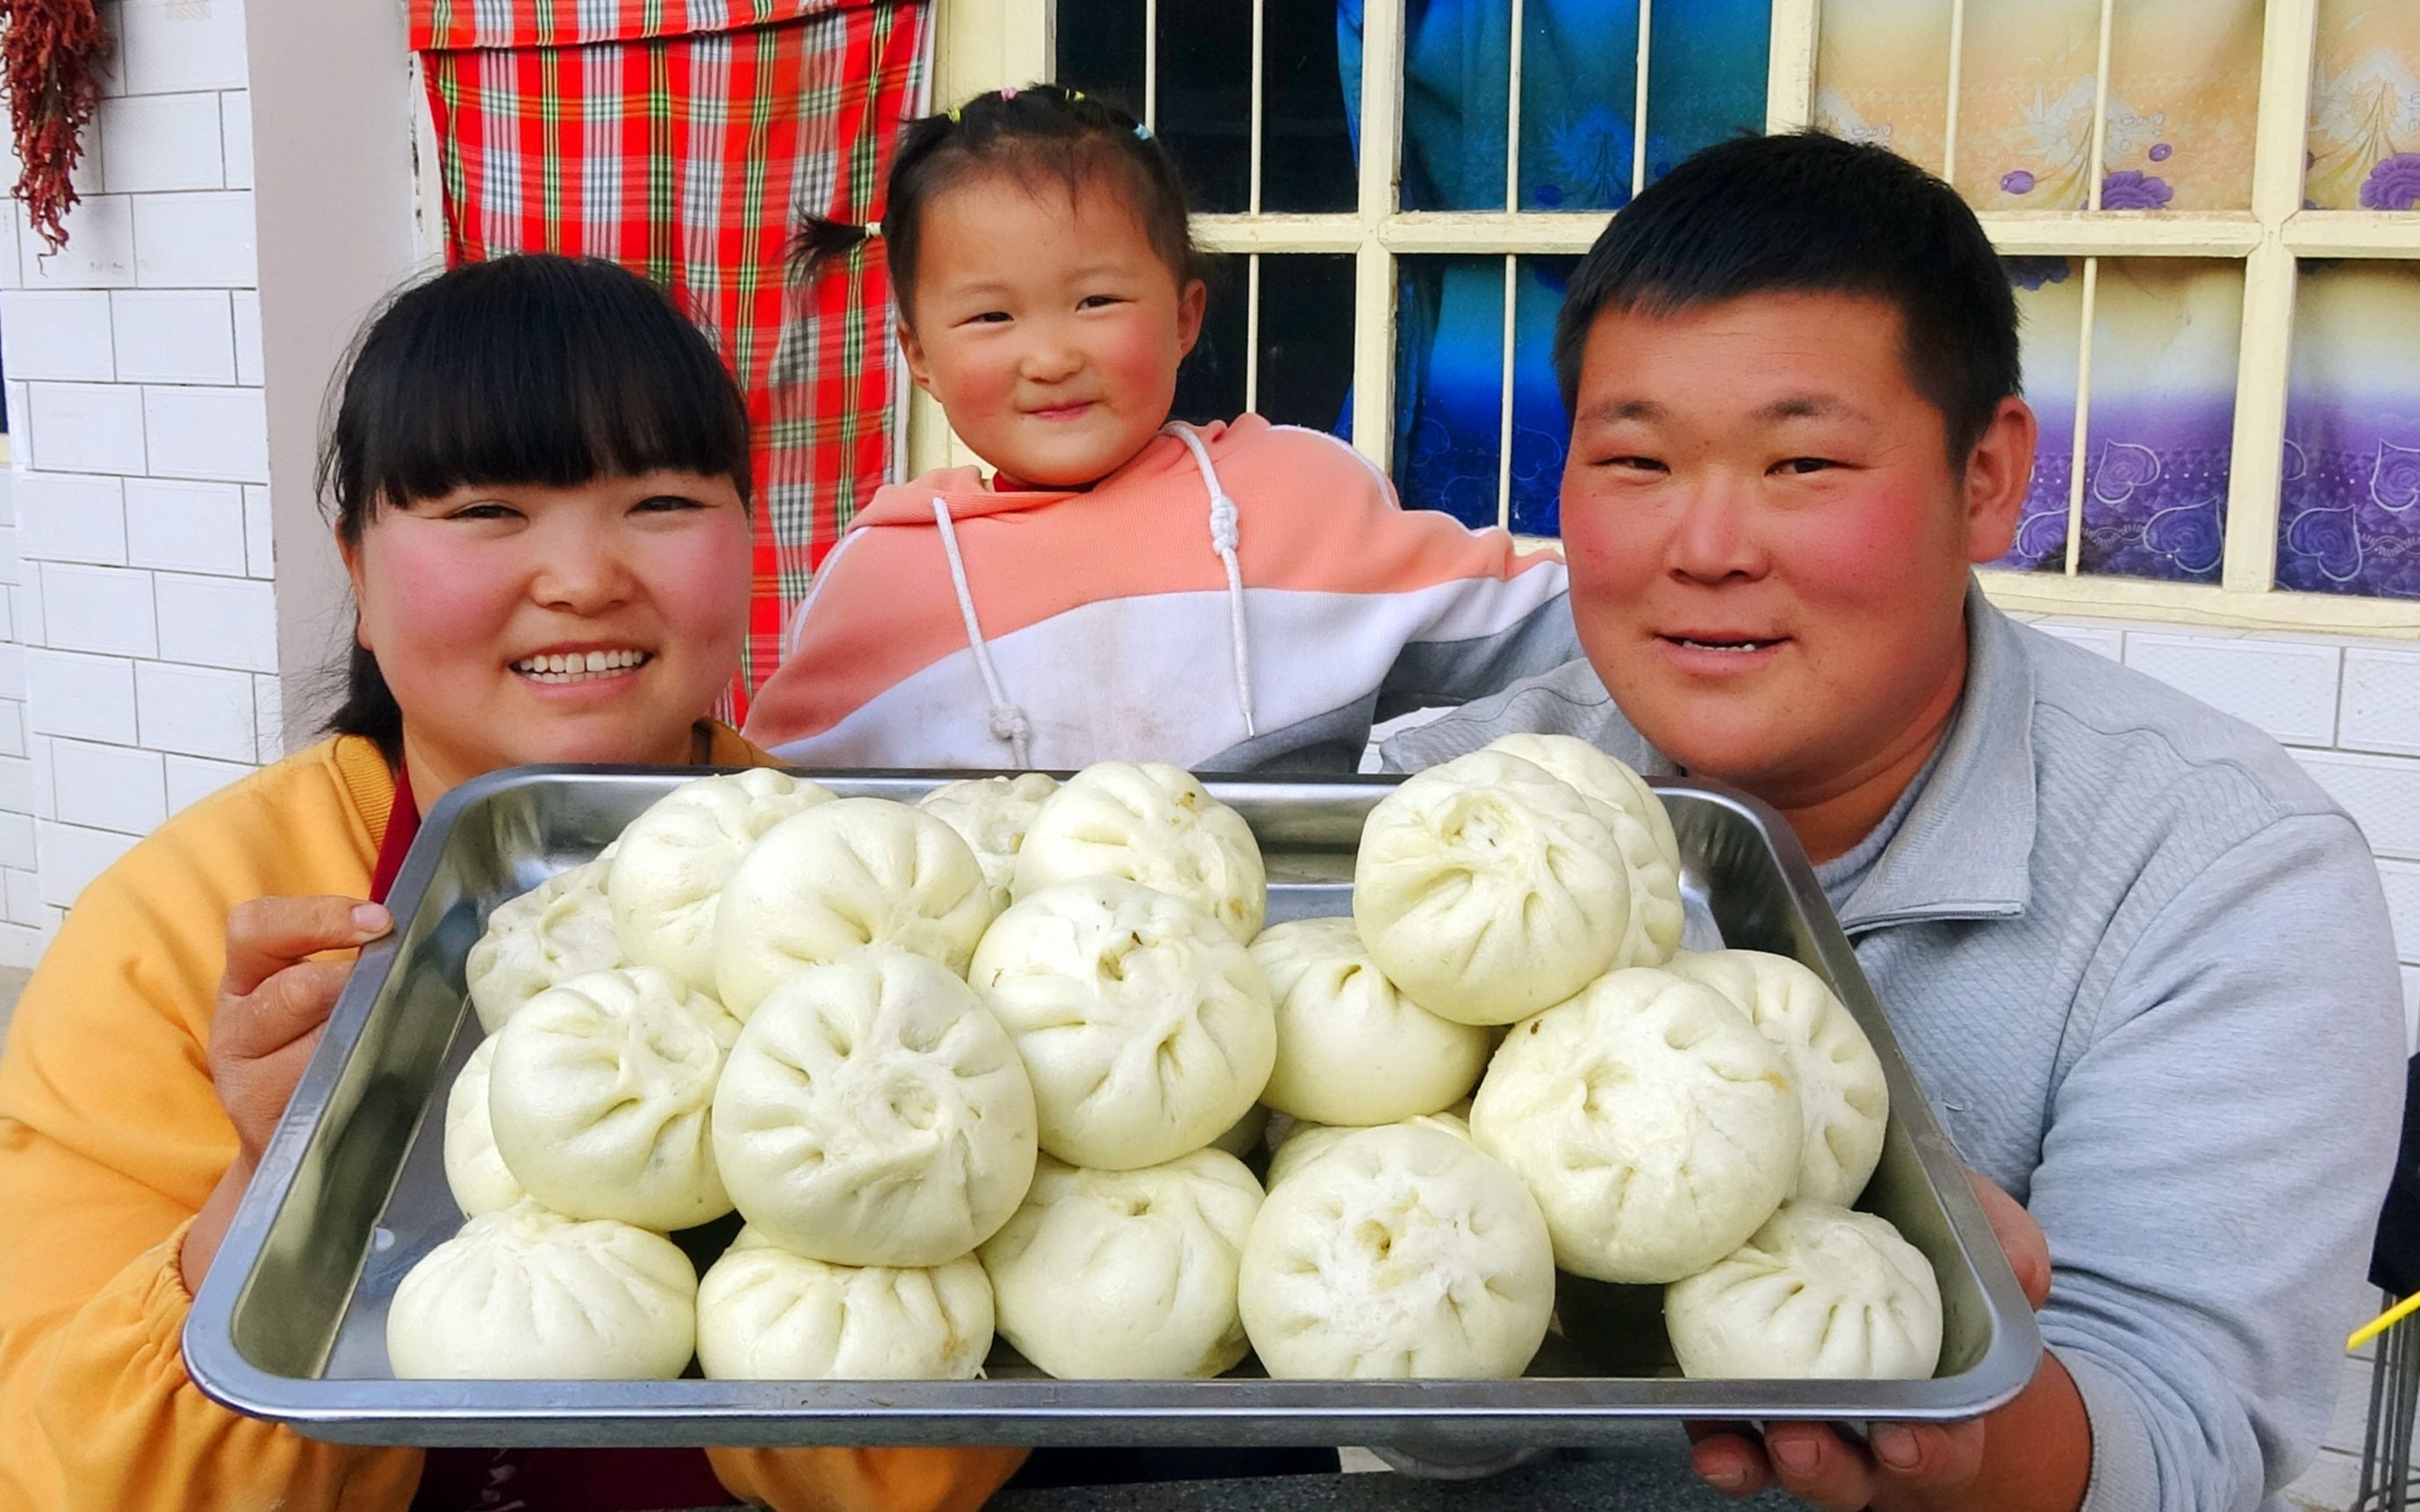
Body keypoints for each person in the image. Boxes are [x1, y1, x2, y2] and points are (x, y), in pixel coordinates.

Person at [1385, 132, 2405, 1511]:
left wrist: (1950, 1378)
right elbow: (1408, 1415)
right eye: (1636, 463)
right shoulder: (1451, 816)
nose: (1706, 544)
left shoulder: (2221, 878)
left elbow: (2181, 1440)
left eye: (1801, 465)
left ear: (1986, 477)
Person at [0, 254, 1023, 1512]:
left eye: (659, 499)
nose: (585, 576)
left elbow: (907, 1472)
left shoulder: (885, 915)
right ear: (358, 573)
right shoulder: (186, 926)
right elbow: (74, 1476)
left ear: (750, 539)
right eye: (487, 509)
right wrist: (292, 1196)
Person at [740, 83, 1576, 772]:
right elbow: (767, 808)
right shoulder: (888, 574)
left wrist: (1420, 779)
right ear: (918, 355)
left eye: (1095, 301)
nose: (1050, 356)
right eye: (992, 315)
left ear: (1185, 317)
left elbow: (1581, 635)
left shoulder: (1298, 500)